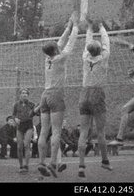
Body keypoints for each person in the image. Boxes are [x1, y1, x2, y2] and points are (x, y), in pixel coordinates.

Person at [37, 10, 79, 178]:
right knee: (56, 132)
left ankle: (41, 162)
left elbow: (60, 42)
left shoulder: (47, 59)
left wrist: (67, 27)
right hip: (56, 95)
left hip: (44, 95)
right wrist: (75, 26)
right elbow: (70, 43)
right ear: (55, 49)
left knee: (43, 132)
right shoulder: (60, 58)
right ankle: (53, 162)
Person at [77, 18, 113, 178]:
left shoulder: (85, 57)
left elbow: (87, 42)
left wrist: (90, 28)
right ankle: (105, 161)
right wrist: (101, 27)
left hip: (84, 94)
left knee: (83, 131)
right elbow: (106, 41)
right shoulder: (103, 57)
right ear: (100, 50)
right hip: (97, 94)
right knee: (100, 131)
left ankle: (81, 166)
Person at [12, 88, 36, 173]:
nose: (24, 94)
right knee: (19, 147)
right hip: (20, 127)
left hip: (28, 125)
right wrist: (15, 118)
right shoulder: (16, 105)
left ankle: (26, 165)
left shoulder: (31, 104)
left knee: (26, 145)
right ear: (20, 95)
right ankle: (21, 165)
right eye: (23, 93)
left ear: (28, 95)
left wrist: (36, 110)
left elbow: (36, 112)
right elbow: (13, 114)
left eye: (26, 93)